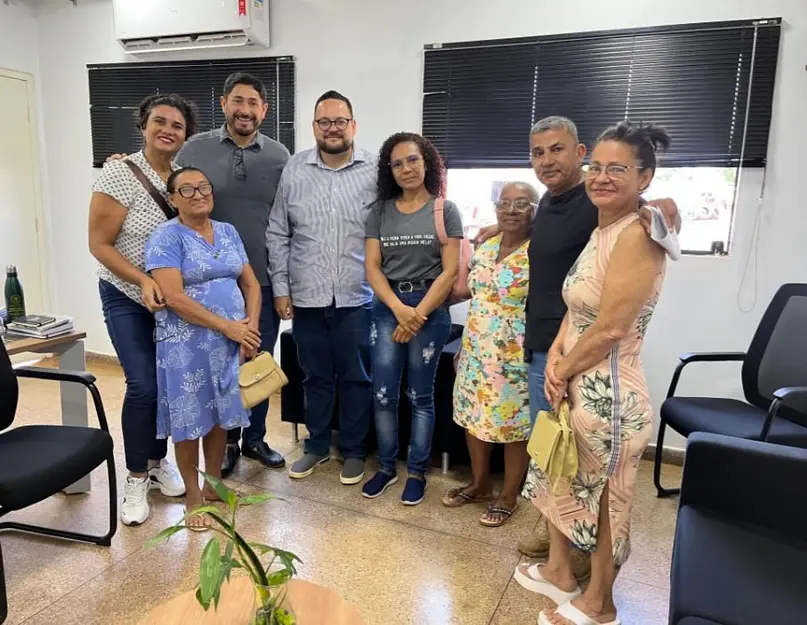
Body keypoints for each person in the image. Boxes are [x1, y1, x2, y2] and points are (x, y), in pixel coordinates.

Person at [475, 116, 679, 580]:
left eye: (557, 150)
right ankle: (558, 540)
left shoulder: (599, 201)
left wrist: (664, 207)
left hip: (582, 356)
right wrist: (496, 228)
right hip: (546, 345)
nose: (547, 160)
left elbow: (645, 212)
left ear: (579, 152)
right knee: (553, 451)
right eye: (538, 152)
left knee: (581, 460)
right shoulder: (550, 202)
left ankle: (579, 550)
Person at [517, 121, 669, 625]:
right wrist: (557, 360)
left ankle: (600, 603)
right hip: (579, 381)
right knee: (562, 478)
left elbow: (611, 327)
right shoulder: (602, 230)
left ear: (644, 177)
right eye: (597, 167)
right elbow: (578, 308)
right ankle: (561, 572)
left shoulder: (637, 234)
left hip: (612, 395)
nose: (602, 177)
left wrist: (562, 367)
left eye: (617, 169)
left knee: (607, 500)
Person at [174, 72, 290, 477]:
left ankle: (255, 437)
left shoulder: (279, 156)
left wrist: (284, 284)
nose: (245, 110)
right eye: (237, 101)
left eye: (253, 103)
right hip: (210, 285)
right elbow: (167, 184)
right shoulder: (195, 148)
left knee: (257, 358)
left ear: (264, 110)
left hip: (262, 279)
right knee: (220, 365)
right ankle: (226, 442)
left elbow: (287, 219)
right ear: (223, 103)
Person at [88, 94, 196, 526]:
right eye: (160, 121)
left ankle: (156, 462)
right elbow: (99, 244)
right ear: (143, 126)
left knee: (166, 386)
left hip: (168, 301)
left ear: (186, 135)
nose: (168, 129)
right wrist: (142, 280)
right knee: (144, 386)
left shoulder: (182, 178)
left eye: (177, 125)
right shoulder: (118, 172)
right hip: (126, 295)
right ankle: (135, 476)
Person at [267, 91, 377, 485]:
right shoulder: (295, 169)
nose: (333, 128)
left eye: (340, 121)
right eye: (324, 122)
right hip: (307, 296)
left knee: (356, 377)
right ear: (314, 126)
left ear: (353, 125)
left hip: (357, 295)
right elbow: (278, 231)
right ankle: (315, 446)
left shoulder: (375, 170)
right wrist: (281, 288)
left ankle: (353, 450)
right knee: (315, 377)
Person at [144, 167, 263, 529]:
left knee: (220, 416)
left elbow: (251, 285)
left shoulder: (228, 231)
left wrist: (250, 329)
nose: (198, 194)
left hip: (229, 342)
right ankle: (193, 496)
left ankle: (213, 485)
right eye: (187, 190)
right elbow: (174, 297)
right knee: (189, 420)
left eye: (204, 187)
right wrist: (228, 326)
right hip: (185, 344)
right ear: (172, 199)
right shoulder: (166, 237)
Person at [361, 132, 462, 506]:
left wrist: (417, 315)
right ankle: (387, 467)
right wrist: (399, 310)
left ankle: (417, 472)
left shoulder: (444, 210)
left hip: (429, 309)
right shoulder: (380, 211)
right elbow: (372, 267)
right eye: (398, 163)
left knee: (421, 396)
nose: (406, 168)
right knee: (383, 393)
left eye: (413, 160)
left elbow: (450, 271)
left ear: (427, 162)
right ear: (389, 170)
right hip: (388, 307)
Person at [442, 182, 536, 525]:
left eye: (522, 204)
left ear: (536, 210)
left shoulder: (541, 249)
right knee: (473, 417)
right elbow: (472, 291)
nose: (511, 210)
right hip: (475, 348)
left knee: (513, 425)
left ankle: (508, 495)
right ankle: (480, 484)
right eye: (504, 203)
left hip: (515, 354)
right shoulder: (486, 243)